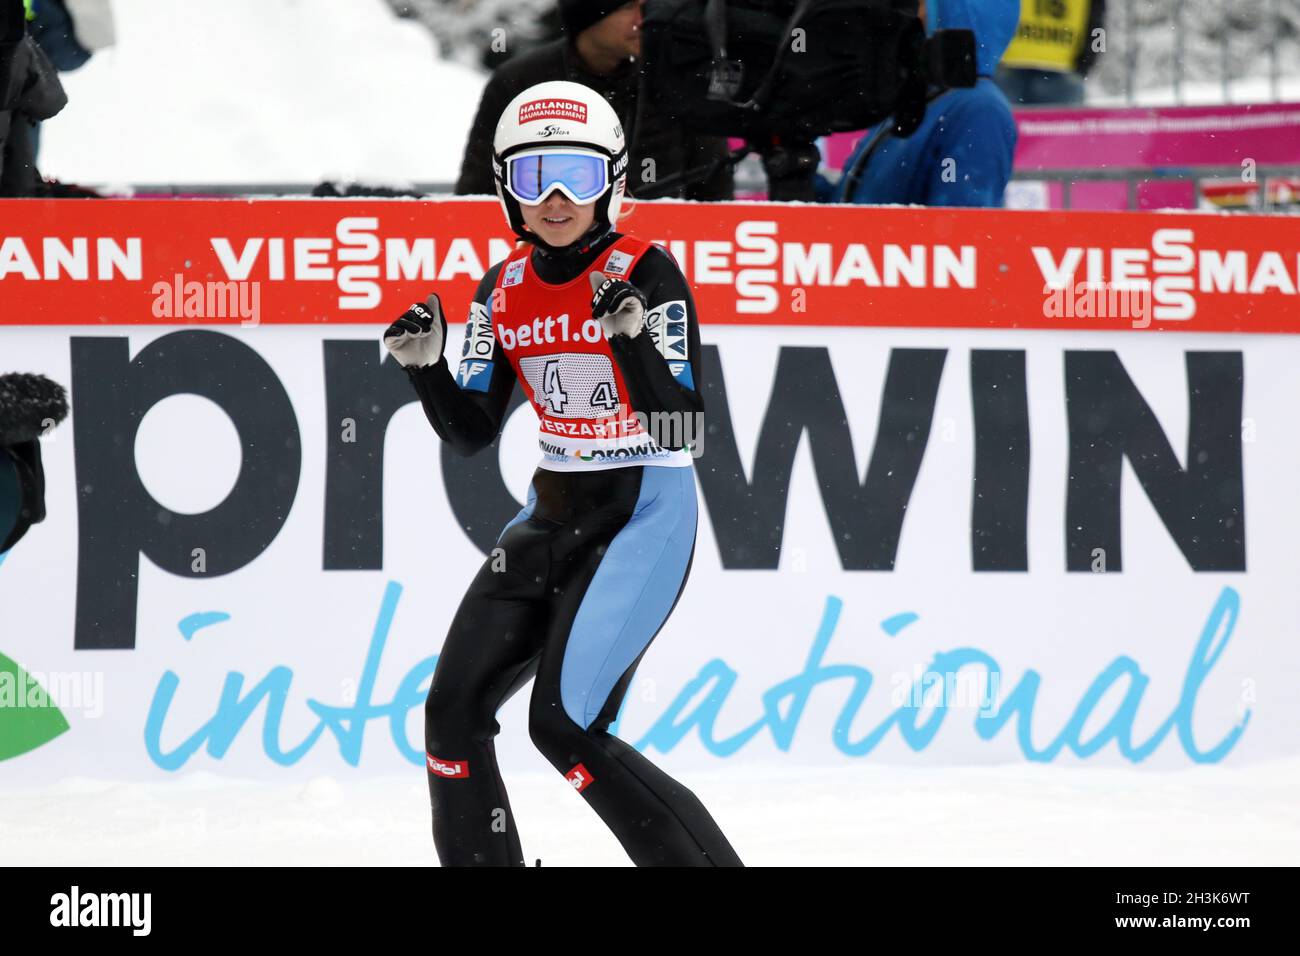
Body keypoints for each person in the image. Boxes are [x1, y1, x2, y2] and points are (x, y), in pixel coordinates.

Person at [385, 79, 743, 867]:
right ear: (506, 190)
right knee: (451, 713)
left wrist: (632, 341)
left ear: (611, 184)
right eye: (532, 175)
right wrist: (426, 371)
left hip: (642, 510)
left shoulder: (646, 270)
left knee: (565, 725)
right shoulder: (502, 287)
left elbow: (682, 424)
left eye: (576, 177)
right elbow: (473, 434)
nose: (554, 197)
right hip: (552, 511)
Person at [454, 0, 733, 202]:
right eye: (627, 7)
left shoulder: (677, 78)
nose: (642, 18)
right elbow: (477, 197)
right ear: (588, 18)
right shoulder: (518, 81)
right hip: (545, 252)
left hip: (658, 254)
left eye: (646, 5)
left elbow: (715, 196)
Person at [813, 0, 1020, 208]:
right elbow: (854, 206)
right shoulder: (916, 100)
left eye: (918, 5)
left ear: (952, 14)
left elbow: (959, 228)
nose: (905, 16)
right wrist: (797, 174)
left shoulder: (980, 111)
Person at [995, 0, 1104, 106]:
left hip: (1009, 67)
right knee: (1062, 124)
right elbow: (1098, 28)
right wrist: (1086, 64)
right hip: (1062, 73)